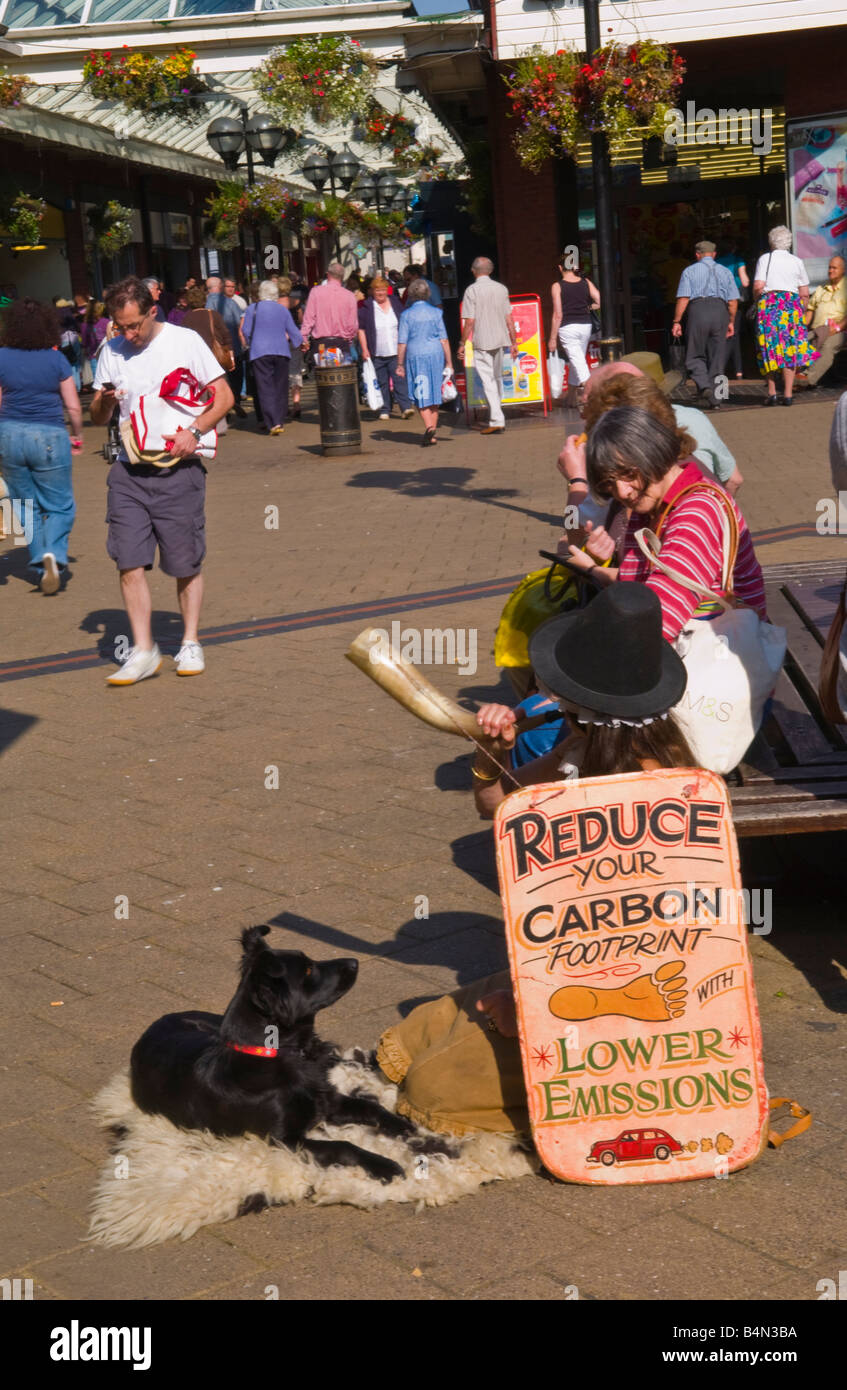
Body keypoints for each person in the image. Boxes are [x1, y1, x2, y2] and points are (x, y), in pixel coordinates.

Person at [376, 583, 694, 1137]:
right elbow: (495, 807)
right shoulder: (579, 747)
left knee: (433, 1087)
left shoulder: (654, 790)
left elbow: (635, 939)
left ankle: (593, 1111)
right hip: (565, 972)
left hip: (627, 1006)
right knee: (422, 1028)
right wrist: (493, 750)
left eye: (558, 685)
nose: (543, 688)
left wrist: (529, 1015)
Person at [90, 275, 234, 685]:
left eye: (134, 324)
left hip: (179, 471)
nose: (128, 334)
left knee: (184, 562)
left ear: (152, 311)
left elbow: (223, 396)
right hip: (127, 473)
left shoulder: (184, 341)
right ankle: (143, 650)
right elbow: (99, 417)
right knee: (128, 560)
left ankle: (189, 641)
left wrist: (196, 432)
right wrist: (102, 401)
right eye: (120, 326)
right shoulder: (112, 350)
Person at [563, 406, 766, 645]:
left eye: (629, 474)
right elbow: (637, 587)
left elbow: (658, 621)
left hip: (713, 662)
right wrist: (592, 570)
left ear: (654, 452)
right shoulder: (651, 506)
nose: (622, 491)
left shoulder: (696, 512)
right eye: (609, 482)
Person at [0, 297, 83, 593]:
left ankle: (37, 557)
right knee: (60, 505)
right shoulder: (56, 358)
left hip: (9, 434)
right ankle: (55, 554)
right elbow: (73, 407)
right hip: (49, 435)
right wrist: (78, 435)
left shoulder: (1, 357)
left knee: (22, 504)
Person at [752, 225, 818, 407]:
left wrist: (757, 300)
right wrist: (801, 311)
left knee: (769, 348)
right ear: (788, 242)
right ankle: (788, 394)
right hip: (791, 307)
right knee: (790, 349)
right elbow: (804, 292)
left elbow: (758, 286)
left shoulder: (765, 259)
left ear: (771, 242)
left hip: (770, 306)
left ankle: (772, 393)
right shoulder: (797, 261)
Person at [671, 240, 738, 408]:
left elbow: (684, 298)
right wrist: (731, 321)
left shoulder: (689, 271)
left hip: (698, 311)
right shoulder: (725, 272)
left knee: (694, 355)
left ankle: (704, 386)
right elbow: (733, 301)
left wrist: (677, 321)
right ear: (714, 254)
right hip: (720, 311)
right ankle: (718, 399)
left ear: (697, 255)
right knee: (718, 357)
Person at [458, 256, 517, 435]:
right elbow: (509, 318)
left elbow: (469, 321)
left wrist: (462, 343)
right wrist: (514, 341)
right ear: (490, 271)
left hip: (482, 341)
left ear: (473, 270)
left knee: (488, 381)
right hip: (501, 339)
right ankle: (497, 416)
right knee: (497, 378)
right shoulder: (501, 289)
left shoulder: (471, 290)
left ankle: (497, 419)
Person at [239, 279, 302, 436]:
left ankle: (271, 422)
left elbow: (245, 331)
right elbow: (293, 331)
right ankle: (279, 420)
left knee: (265, 387)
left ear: (261, 293)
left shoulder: (252, 309)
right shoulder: (282, 310)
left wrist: (252, 342)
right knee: (280, 387)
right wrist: (300, 343)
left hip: (259, 353)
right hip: (281, 351)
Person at [396, 278, 453, 446]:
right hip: (436, 354)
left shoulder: (406, 315)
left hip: (416, 356)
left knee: (421, 392)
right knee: (435, 392)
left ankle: (429, 428)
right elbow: (444, 339)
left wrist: (399, 364)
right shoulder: (436, 313)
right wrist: (449, 362)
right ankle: (432, 432)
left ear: (411, 294)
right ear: (427, 293)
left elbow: (402, 342)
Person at [357, 275, 415, 421]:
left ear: (387, 290)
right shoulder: (367, 307)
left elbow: (404, 323)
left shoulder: (395, 303)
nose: (381, 293)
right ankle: (385, 409)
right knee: (382, 382)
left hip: (396, 350)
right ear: (372, 292)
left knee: (399, 379)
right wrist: (365, 349)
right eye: (377, 291)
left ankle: (405, 407)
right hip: (377, 351)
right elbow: (361, 329)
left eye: (383, 290)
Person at [547, 252, 601, 405]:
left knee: (578, 362)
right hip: (585, 325)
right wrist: (588, 307)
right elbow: (599, 300)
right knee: (576, 360)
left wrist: (552, 338)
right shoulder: (586, 282)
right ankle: (571, 398)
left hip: (567, 328)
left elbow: (558, 314)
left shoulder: (557, 286)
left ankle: (594, 397)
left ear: (560, 267)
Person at [802, 255, 847, 387]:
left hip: (840, 331)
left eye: (834, 268)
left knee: (828, 346)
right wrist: (800, 325)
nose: (830, 271)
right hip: (818, 330)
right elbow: (810, 311)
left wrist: (838, 327)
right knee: (801, 341)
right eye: (829, 267)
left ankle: (806, 379)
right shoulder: (821, 289)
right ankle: (795, 374)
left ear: (843, 270)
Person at [205, 276, 246, 417]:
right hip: (232, 347)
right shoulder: (231, 303)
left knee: (218, 378)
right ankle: (235, 399)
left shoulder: (204, 304)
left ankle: (222, 408)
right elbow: (239, 324)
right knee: (235, 376)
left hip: (212, 350)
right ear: (221, 287)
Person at [301, 261, 359, 358]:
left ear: (328, 275)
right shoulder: (350, 296)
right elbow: (353, 325)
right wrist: (348, 340)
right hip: (342, 343)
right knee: (342, 372)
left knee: (322, 372)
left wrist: (304, 338)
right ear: (342, 277)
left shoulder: (316, 292)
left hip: (321, 344)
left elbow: (308, 319)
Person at [716, 238, 750, 379]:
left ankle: (720, 368)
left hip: (719, 301)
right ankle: (738, 370)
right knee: (734, 335)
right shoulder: (738, 260)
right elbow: (745, 282)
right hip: (735, 300)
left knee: (720, 335)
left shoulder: (716, 262)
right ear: (733, 248)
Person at [276, 276, 304, 421]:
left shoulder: (275, 304)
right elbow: (301, 320)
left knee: (281, 373)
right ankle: (297, 402)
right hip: (294, 339)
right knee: (295, 371)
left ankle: (284, 405)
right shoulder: (295, 302)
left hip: (279, 340)